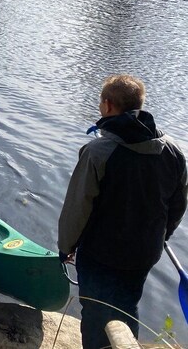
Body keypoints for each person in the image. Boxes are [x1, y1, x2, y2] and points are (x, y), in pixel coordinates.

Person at [58, 74, 187, 349]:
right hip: (144, 253)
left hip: (101, 255)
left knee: (94, 315)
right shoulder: (174, 151)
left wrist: (65, 246)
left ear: (107, 105)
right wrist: (162, 235)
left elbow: (77, 207)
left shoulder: (98, 151)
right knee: (127, 307)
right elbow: (178, 205)